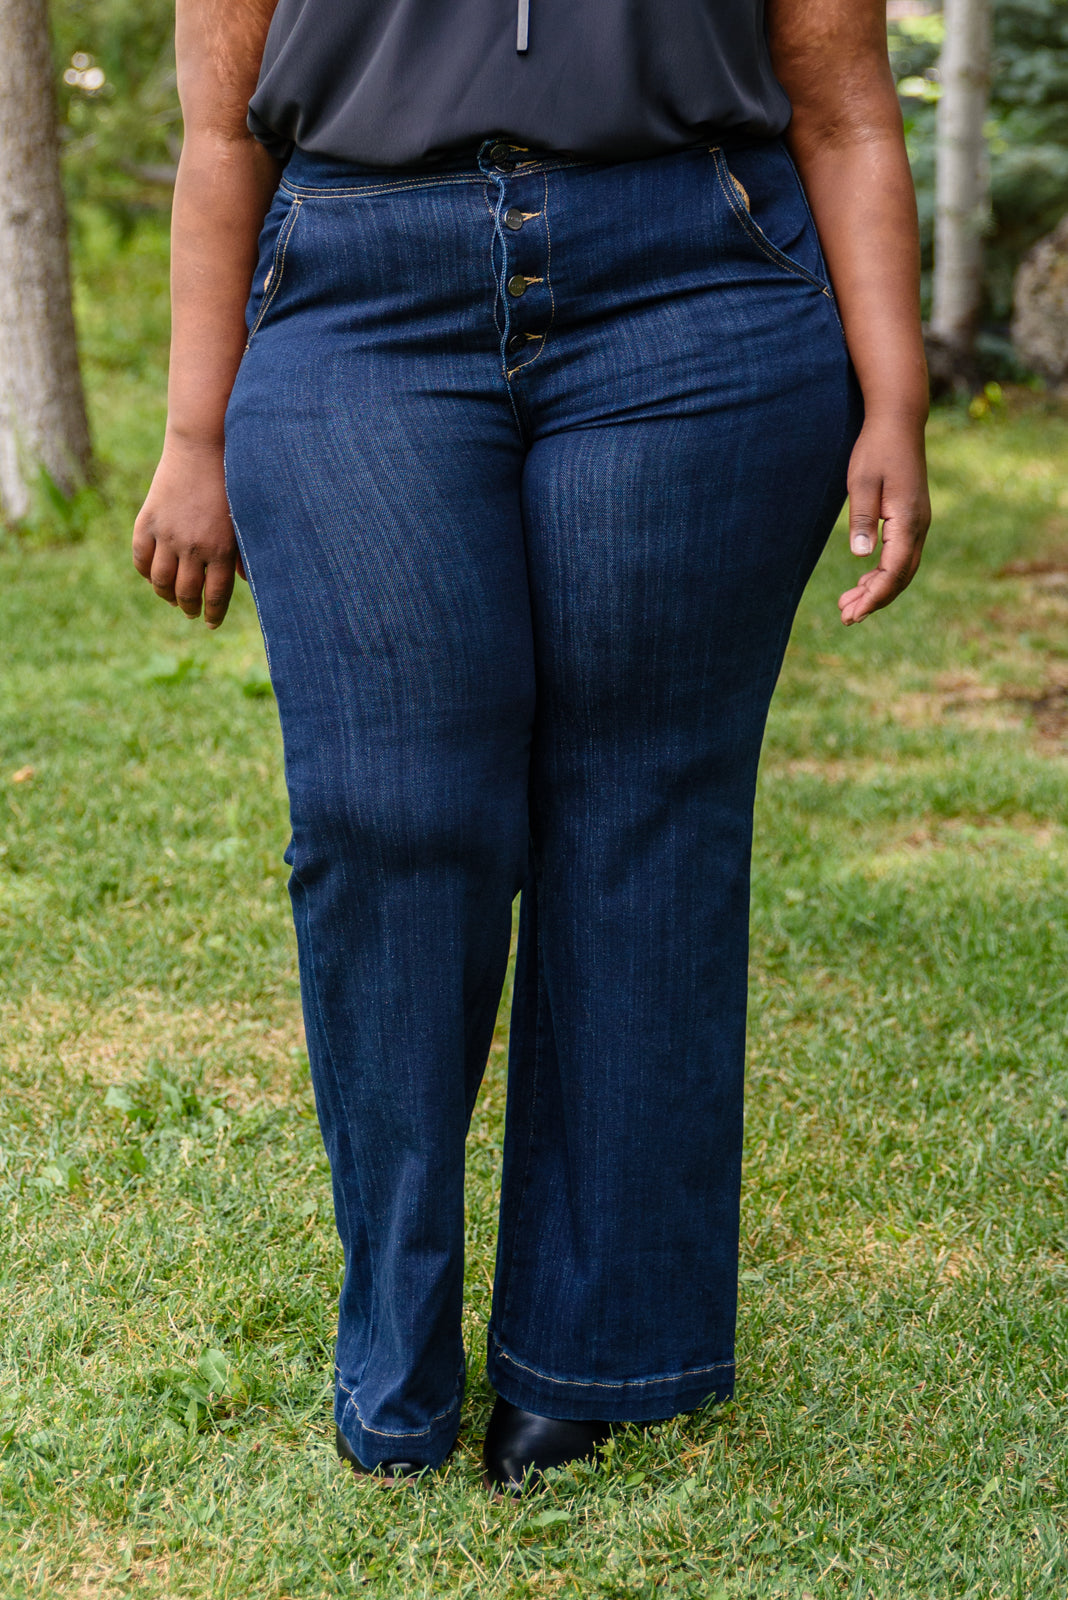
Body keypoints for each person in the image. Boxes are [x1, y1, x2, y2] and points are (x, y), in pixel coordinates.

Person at [133, 0, 930, 1494]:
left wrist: (896, 392)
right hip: (358, 286)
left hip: (693, 278)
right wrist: (194, 432)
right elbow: (222, 127)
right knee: (387, 818)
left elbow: (842, 103)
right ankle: (395, 1350)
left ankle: (595, 1354)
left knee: (643, 813)